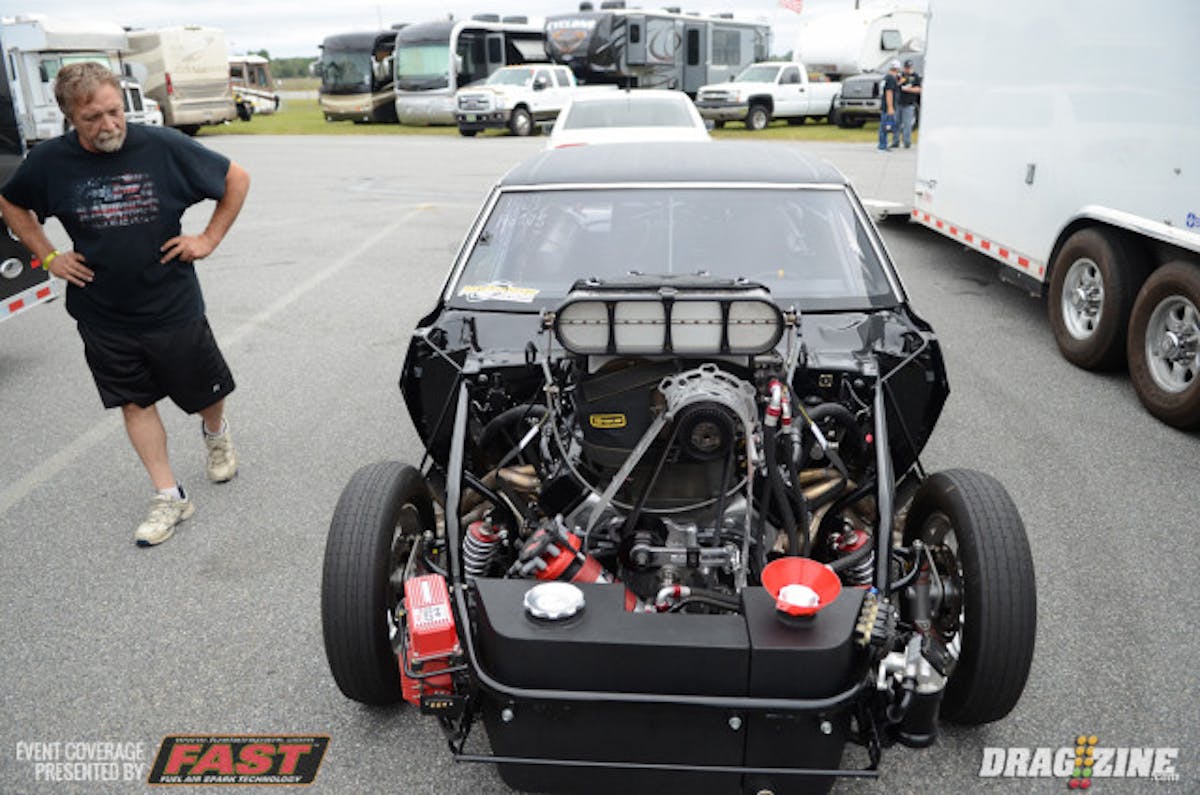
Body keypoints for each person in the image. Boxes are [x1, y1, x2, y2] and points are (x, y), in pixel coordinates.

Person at [0, 62, 250, 547]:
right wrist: (49, 254)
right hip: (101, 311)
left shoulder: (163, 147)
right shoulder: (50, 161)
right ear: (69, 117)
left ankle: (215, 431)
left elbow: (236, 179)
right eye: (93, 117)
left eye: (115, 111)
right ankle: (169, 495)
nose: (109, 124)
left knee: (203, 393)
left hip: (172, 304)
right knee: (134, 401)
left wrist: (208, 239)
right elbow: (11, 202)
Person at [897, 58, 923, 148]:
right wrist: (901, 81)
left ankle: (907, 142)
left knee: (907, 124)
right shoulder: (901, 75)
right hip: (899, 102)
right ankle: (895, 142)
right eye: (906, 68)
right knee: (896, 123)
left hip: (909, 104)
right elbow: (896, 86)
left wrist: (909, 89)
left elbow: (919, 89)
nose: (908, 69)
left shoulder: (915, 76)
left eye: (909, 68)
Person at [878, 59, 901, 151]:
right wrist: (890, 107)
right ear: (897, 69)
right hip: (888, 106)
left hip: (884, 105)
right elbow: (889, 92)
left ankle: (883, 144)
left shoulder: (886, 77)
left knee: (884, 125)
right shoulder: (891, 78)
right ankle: (882, 146)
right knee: (886, 126)